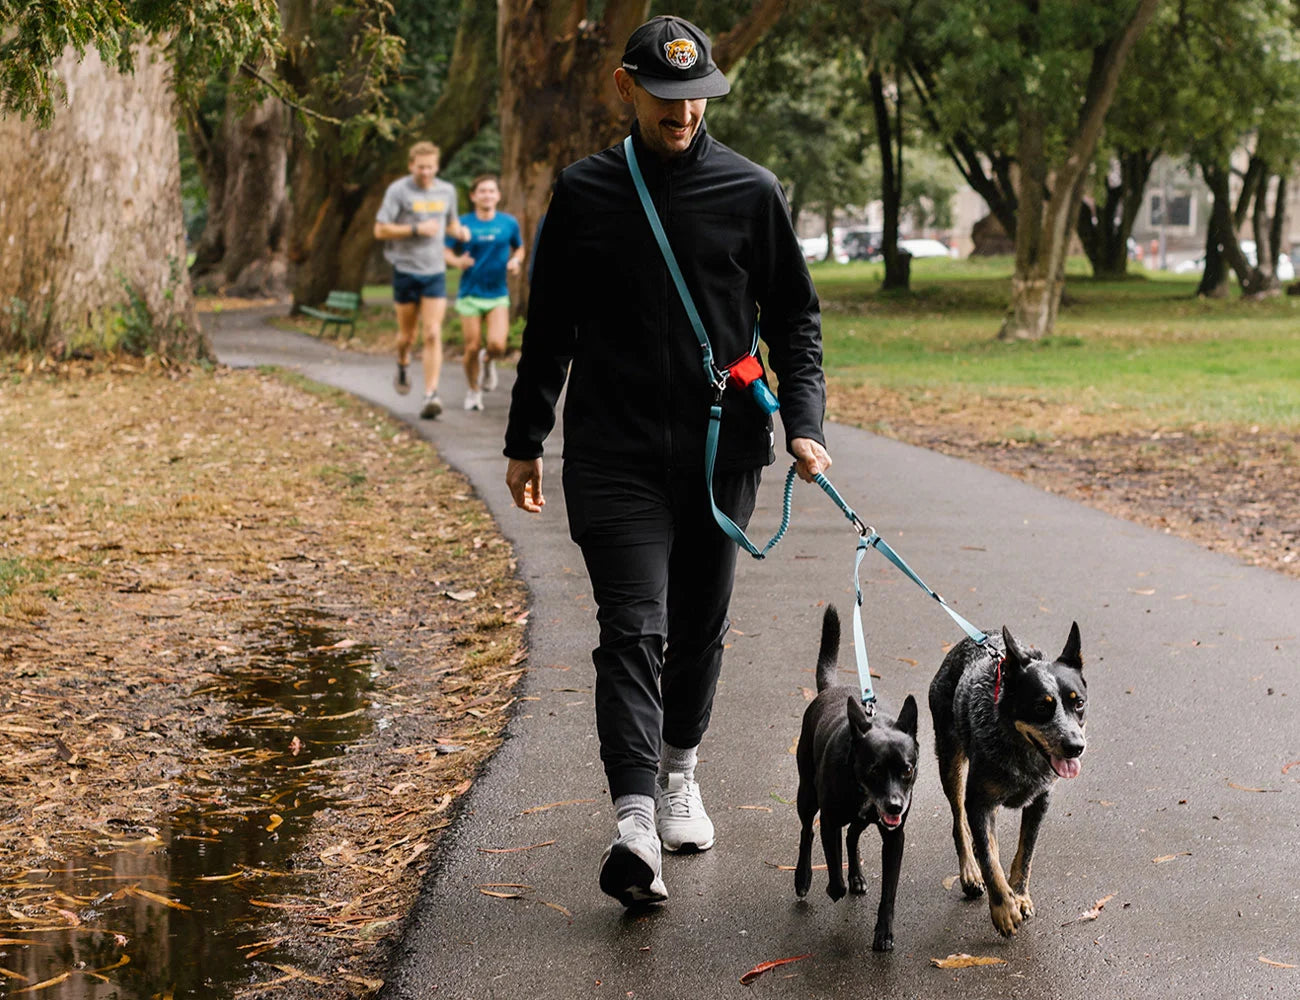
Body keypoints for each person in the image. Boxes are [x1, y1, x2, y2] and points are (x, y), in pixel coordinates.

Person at [503, 14, 831, 908]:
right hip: (612, 455)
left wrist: (804, 421)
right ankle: (635, 818)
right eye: (665, 95)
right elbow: (550, 328)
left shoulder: (751, 191)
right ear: (626, 87)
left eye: (697, 97)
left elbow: (794, 319)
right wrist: (526, 437)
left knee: (698, 628)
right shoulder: (584, 193)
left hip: (723, 459)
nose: (682, 111)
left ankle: (681, 767)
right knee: (632, 629)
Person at [373, 141, 470, 419]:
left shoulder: (447, 190)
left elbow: (449, 223)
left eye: (430, 167)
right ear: (411, 166)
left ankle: (431, 394)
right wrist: (415, 229)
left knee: (432, 332)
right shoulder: (398, 190)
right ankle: (403, 361)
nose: (425, 172)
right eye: (420, 167)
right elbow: (380, 230)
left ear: (436, 166)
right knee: (407, 336)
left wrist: (460, 231)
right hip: (405, 269)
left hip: (434, 270)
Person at [446, 174, 524, 412]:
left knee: (497, 345)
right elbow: (446, 251)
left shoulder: (508, 223)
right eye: (482, 191)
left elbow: (519, 248)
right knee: (471, 346)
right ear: (473, 196)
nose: (487, 195)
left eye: (491, 191)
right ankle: (473, 391)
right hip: (470, 293)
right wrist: (458, 261)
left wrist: (516, 262)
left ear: (498, 196)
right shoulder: (462, 223)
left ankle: (488, 360)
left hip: (497, 293)